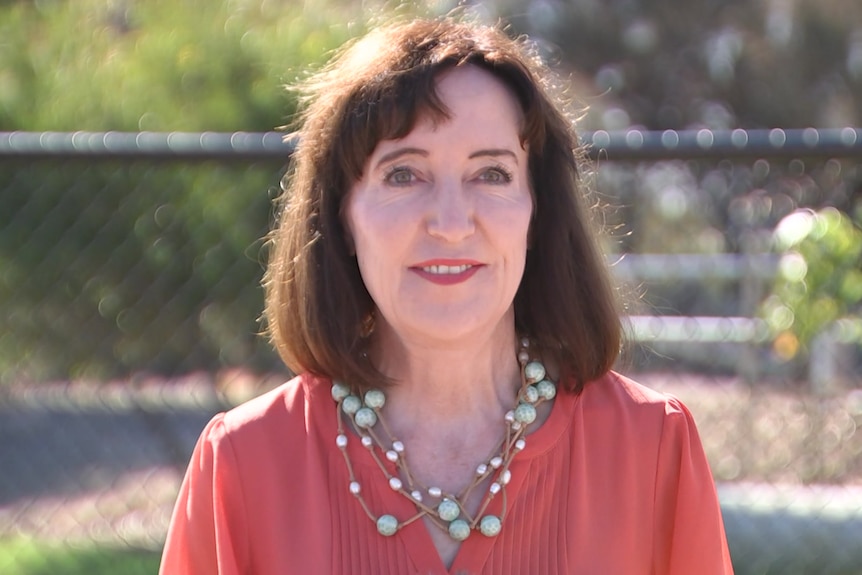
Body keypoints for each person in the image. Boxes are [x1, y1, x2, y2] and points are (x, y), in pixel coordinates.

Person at [159, 15, 733, 575]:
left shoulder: (652, 449)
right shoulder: (243, 464)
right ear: (340, 216)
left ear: (537, 214)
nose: (452, 223)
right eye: (404, 174)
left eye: (492, 174)